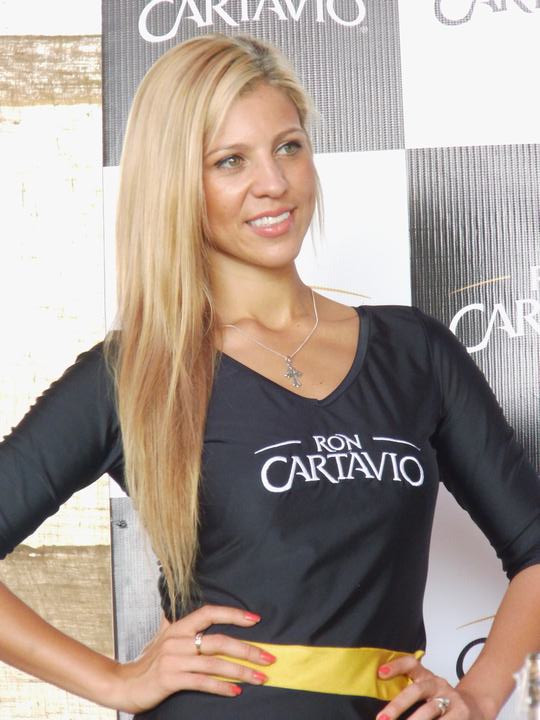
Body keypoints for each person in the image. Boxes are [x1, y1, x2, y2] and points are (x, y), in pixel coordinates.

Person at [0, 32, 539, 720]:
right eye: (230, 161)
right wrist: (113, 681)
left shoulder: (416, 352)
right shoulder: (135, 375)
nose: (274, 183)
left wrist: (481, 694)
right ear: (176, 184)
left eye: (288, 147)